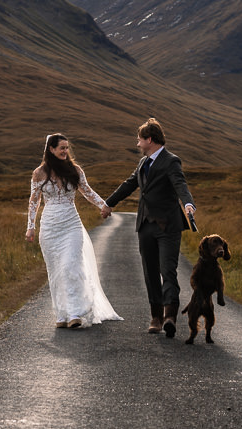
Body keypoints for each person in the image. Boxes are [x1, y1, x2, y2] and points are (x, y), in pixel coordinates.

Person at [101, 118, 197, 338]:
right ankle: (156, 317)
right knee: (149, 272)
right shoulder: (143, 163)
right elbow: (129, 184)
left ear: (149, 139)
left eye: (139, 139)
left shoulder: (171, 161)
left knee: (167, 270)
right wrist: (108, 203)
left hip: (168, 226)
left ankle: (170, 315)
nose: (137, 144)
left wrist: (188, 203)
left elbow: (180, 184)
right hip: (145, 225)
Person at [25, 133, 123, 329]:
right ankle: (61, 314)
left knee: (71, 266)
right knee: (56, 272)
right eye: (61, 147)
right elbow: (33, 201)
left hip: (71, 225)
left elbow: (87, 191)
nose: (65, 151)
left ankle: (76, 313)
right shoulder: (39, 173)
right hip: (50, 227)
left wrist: (104, 205)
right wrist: (30, 227)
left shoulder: (75, 170)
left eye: (67, 148)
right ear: (51, 149)